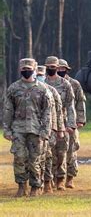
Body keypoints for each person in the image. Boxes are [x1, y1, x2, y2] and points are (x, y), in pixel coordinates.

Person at [3, 58, 52, 197]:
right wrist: (6, 130)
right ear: (20, 70)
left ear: (35, 69)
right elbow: (8, 110)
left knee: (35, 159)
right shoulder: (13, 88)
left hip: (36, 130)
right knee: (19, 158)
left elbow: (47, 112)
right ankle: (21, 186)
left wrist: (45, 131)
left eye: (29, 69)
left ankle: (35, 187)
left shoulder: (43, 89)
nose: (26, 71)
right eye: (24, 69)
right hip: (18, 129)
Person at [44, 56, 76, 190]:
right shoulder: (41, 83)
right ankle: (48, 179)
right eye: (49, 67)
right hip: (47, 123)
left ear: (58, 68)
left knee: (62, 152)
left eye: (54, 67)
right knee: (48, 152)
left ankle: (60, 179)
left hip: (62, 123)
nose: (51, 69)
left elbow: (70, 105)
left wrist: (71, 124)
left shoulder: (65, 84)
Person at [58, 58, 87, 189]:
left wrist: (80, 120)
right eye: (58, 69)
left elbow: (80, 102)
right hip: (56, 123)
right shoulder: (48, 83)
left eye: (62, 69)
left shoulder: (74, 84)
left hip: (71, 121)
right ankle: (57, 177)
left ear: (67, 70)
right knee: (56, 152)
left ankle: (70, 177)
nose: (60, 71)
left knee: (72, 150)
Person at [37, 65, 65, 194]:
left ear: (45, 76)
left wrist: (60, 129)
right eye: (37, 75)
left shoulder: (52, 91)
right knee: (32, 157)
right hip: (32, 128)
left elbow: (58, 112)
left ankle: (48, 181)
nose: (39, 77)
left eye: (41, 75)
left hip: (49, 129)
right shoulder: (27, 90)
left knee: (48, 155)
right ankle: (35, 182)